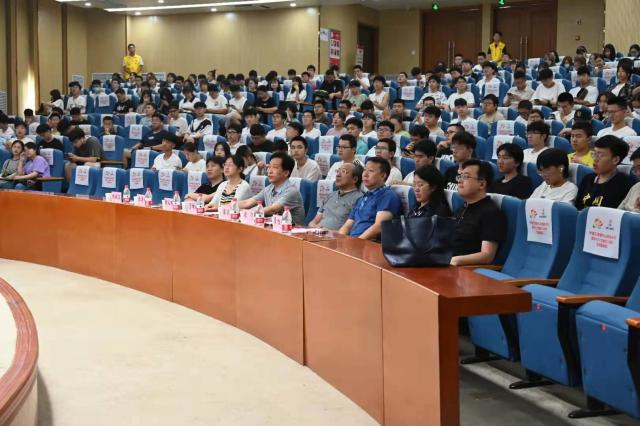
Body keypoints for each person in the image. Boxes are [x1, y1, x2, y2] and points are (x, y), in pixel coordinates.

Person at [449, 159, 505, 266]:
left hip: (463, 269)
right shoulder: (462, 208)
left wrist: (456, 260)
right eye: (460, 176)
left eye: (466, 177)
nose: (460, 181)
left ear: (482, 184)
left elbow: (487, 256)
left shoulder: (491, 213)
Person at [339, 157, 402, 239]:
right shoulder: (361, 199)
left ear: (383, 175)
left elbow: (378, 227)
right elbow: (347, 226)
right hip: (354, 241)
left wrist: (356, 242)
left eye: (371, 171)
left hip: (370, 243)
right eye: (364, 170)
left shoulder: (387, 196)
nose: (365, 174)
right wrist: (339, 240)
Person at [239, 152, 305, 225]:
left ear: (286, 173)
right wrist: (231, 206)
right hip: (273, 228)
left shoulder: (292, 192)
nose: (269, 171)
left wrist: (247, 213)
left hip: (292, 230)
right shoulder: (268, 189)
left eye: (275, 167)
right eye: (269, 167)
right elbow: (247, 203)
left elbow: (272, 210)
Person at [575, 135, 631, 210]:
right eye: (594, 154)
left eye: (600, 155)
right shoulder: (588, 179)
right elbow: (577, 208)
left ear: (615, 160)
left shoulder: (624, 183)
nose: (595, 159)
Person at [308, 163, 364, 230]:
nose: (338, 175)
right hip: (317, 233)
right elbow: (313, 222)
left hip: (337, 235)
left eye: (343, 171)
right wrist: (315, 228)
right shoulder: (331, 195)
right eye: (338, 171)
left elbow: (354, 230)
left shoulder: (361, 199)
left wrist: (328, 232)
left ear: (354, 179)